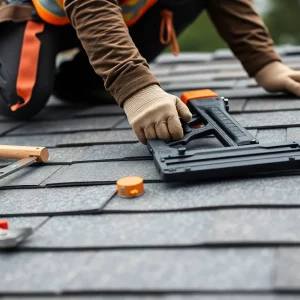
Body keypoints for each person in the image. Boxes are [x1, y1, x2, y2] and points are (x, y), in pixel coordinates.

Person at [0, 0, 300, 144]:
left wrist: (264, 62)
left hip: (110, 15)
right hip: (32, 14)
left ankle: (83, 80)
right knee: (21, 99)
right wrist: (136, 89)